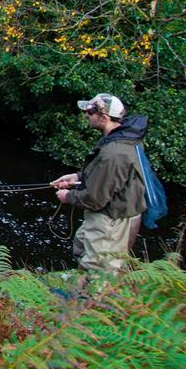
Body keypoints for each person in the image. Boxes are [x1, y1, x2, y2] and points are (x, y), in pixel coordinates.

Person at [50, 93, 148, 274]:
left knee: (99, 269)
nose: (86, 115)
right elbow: (110, 177)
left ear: (104, 117)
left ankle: (92, 299)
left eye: (90, 112)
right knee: (82, 245)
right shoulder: (123, 138)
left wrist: (68, 196)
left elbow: (96, 198)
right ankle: (83, 290)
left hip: (112, 217)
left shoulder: (114, 152)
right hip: (116, 212)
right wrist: (76, 177)